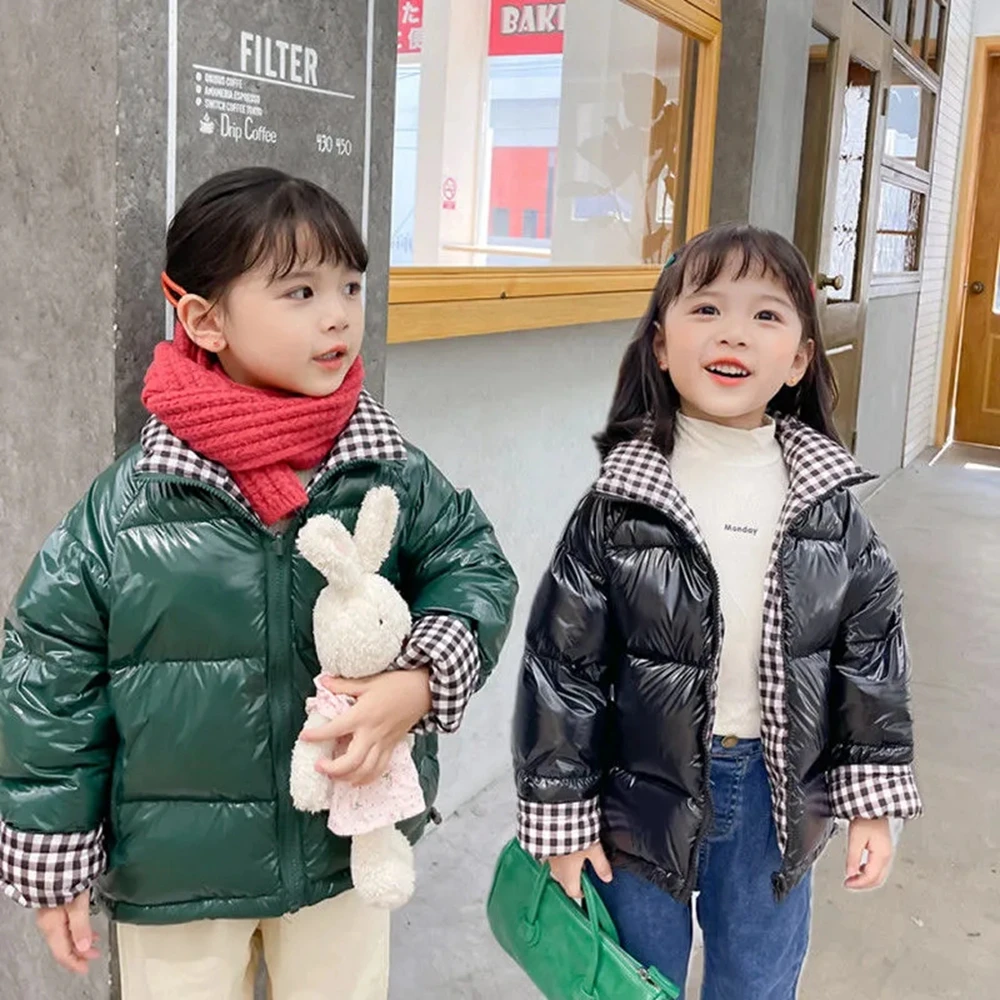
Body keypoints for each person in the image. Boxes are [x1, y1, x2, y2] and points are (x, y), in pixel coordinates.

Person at [0, 167, 518, 999]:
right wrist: (53, 856)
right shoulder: (132, 501)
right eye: (300, 291)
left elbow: (474, 566)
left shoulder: (383, 466)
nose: (338, 314)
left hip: (345, 845)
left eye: (350, 286)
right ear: (205, 320)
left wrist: (420, 682)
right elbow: (48, 672)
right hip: (177, 877)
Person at [512, 223, 921, 998]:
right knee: (630, 980)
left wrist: (872, 806)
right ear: (661, 345)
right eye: (706, 309)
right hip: (637, 793)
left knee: (757, 982)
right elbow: (562, 669)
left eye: (766, 315)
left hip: (777, 796)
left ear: (799, 359)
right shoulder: (621, 502)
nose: (734, 332)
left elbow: (871, 659)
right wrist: (561, 816)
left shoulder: (829, 506)